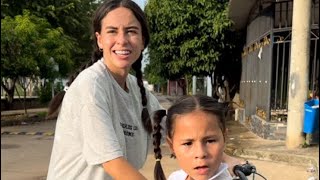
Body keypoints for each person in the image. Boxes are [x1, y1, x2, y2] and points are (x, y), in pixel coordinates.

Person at [46, 0, 162, 179]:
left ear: (142, 41)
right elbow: (113, 163)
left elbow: (180, 131)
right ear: (100, 40)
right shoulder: (91, 85)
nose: (122, 41)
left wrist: (220, 164)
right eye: (112, 31)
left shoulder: (140, 92)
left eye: (131, 31)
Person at [152, 95, 233, 180]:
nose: (200, 153)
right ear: (172, 146)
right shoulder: (175, 177)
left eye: (210, 141)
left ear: (224, 138)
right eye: (188, 143)